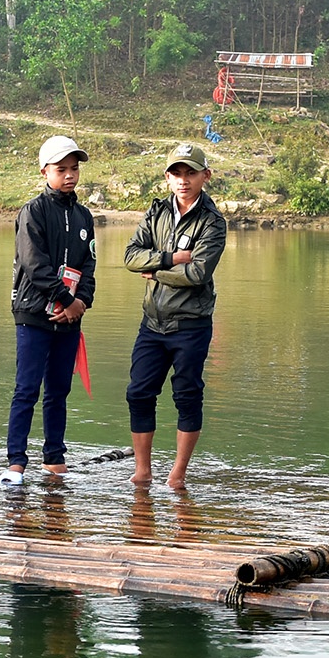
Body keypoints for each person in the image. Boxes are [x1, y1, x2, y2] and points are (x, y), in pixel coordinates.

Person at [123, 143, 227, 492]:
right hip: (152, 322)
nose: (183, 180)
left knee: (186, 395)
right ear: (167, 177)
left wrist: (155, 273)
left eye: (191, 173)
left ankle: (177, 474)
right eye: (176, 173)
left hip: (191, 325)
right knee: (138, 393)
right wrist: (168, 260)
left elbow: (198, 274)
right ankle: (142, 471)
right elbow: (131, 257)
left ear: (205, 176)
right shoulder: (156, 213)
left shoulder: (213, 222)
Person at [2, 135, 97, 487]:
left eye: (74, 169)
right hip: (33, 313)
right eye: (61, 169)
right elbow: (34, 264)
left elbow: (89, 265)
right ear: (44, 171)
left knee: (59, 390)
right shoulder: (33, 212)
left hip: (70, 316)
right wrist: (64, 300)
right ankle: (15, 462)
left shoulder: (84, 215)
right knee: (27, 388)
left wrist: (81, 303)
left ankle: (54, 457)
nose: (70, 175)